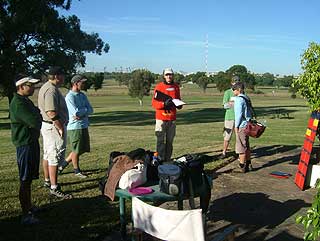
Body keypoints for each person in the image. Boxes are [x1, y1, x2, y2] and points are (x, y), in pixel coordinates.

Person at [9, 75, 42, 224]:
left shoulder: (25, 101)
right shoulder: (18, 103)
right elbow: (35, 121)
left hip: (31, 142)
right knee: (25, 179)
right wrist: (37, 115)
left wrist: (37, 115)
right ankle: (25, 214)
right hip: (25, 145)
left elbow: (37, 116)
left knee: (29, 178)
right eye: (30, 85)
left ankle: (29, 207)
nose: (33, 88)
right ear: (21, 87)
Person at [38, 66, 72, 199]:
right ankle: (54, 187)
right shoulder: (51, 90)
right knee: (55, 156)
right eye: (62, 75)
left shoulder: (47, 87)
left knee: (47, 154)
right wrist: (60, 127)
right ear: (57, 76)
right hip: (53, 127)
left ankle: (47, 181)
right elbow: (51, 112)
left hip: (48, 126)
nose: (64, 78)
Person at [58, 74, 93, 178]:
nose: (84, 84)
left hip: (83, 125)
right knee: (76, 150)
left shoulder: (82, 95)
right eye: (82, 82)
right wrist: (84, 112)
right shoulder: (69, 97)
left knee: (81, 149)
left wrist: (83, 112)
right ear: (76, 83)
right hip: (74, 127)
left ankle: (63, 165)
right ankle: (77, 170)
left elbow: (91, 109)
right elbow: (75, 113)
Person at [151, 68, 183, 162]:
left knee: (170, 141)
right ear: (164, 76)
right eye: (167, 74)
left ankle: (167, 159)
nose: (169, 76)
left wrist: (179, 105)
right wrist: (164, 104)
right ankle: (160, 160)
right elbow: (154, 103)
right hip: (161, 118)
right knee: (160, 141)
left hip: (172, 119)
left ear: (173, 75)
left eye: (170, 74)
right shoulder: (159, 86)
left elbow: (178, 99)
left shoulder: (176, 87)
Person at [232, 82, 253, 173]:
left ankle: (242, 165)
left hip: (241, 126)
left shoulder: (238, 100)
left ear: (238, 90)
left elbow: (238, 114)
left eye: (234, 90)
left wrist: (236, 126)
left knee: (241, 146)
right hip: (247, 125)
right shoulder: (246, 98)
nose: (233, 92)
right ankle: (248, 163)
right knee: (247, 146)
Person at [220, 75, 240, 158]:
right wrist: (234, 103)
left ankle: (239, 153)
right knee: (227, 136)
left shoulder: (241, 92)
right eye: (235, 82)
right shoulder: (227, 92)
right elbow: (224, 105)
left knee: (239, 137)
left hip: (239, 118)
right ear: (232, 83)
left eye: (238, 82)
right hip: (229, 118)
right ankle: (224, 152)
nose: (236, 83)